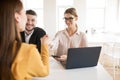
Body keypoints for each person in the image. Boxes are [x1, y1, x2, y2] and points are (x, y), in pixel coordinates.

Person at [0, 0, 49, 80]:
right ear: (17, 17)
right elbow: (44, 71)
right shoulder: (28, 51)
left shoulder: (40, 32)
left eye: (33, 20)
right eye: (24, 14)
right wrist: (45, 45)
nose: (28, 21)